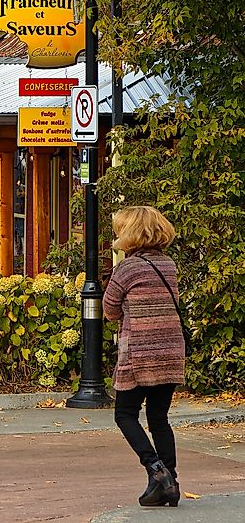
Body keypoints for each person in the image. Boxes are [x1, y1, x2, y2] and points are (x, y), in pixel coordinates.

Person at [103, 205, 186, 508]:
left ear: (130, 233)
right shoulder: (169, 265)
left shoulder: (127, 268)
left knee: (124, 413)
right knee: (159, 417)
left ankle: (156, 469)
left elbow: (109, 310)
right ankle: (171, 482)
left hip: (140, 353)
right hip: (171, 350)